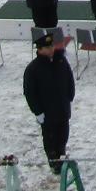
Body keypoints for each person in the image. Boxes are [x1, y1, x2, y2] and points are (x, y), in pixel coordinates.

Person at [23, 33, 76, 174]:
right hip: (47, 112)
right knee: (50, 138)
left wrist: (70, 96)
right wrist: (37, 112)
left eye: (51, 46)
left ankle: (61, 156)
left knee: (63, 136)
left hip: (62, 108)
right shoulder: (33, 69)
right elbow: (30, 93)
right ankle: (54, 162)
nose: (51, 49)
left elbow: (69, 78)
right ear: (40, 49)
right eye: (47, 47)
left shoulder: (61, 61)